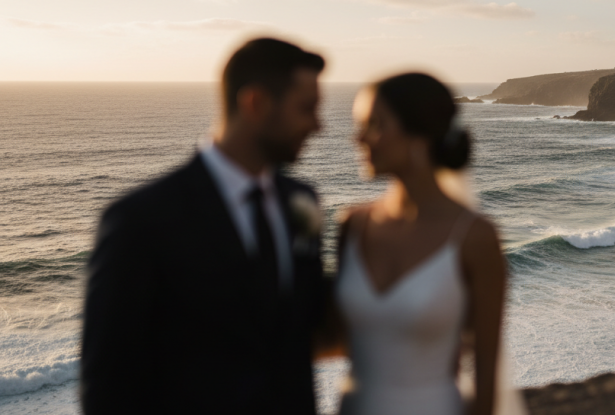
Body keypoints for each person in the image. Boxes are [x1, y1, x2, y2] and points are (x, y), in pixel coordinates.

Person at [81, 38, 327, 415]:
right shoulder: (141, 220)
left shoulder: (303, 202)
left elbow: (300, 325)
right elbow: (109, 382)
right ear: (256, 104)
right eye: (306, 109)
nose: (318, 126)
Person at [331, 73, 511, 415]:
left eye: (374, 125)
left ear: (419, 134)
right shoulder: (352, 226)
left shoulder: (474, 237)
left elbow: (486, 367)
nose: (358, 138)